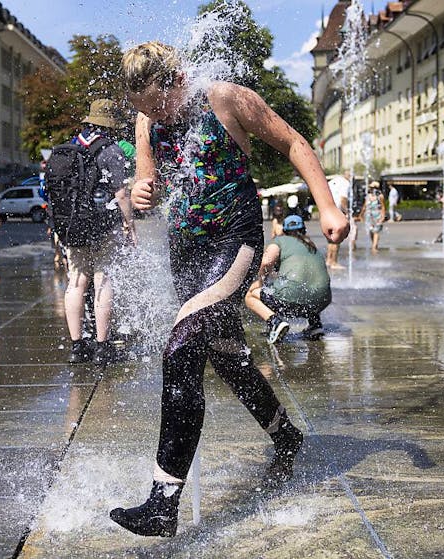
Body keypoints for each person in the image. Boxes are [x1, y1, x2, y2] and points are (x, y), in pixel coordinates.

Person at [110, 41, 349, 538]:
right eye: (144, 110)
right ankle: (285, 436)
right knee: (226, 357)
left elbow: (294, 143)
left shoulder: (224, 99)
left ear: (176, 79)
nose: (155, 116)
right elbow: (146, 191)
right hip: (186, 251)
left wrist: (326, 206)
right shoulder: (145, 122)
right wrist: (139, 193)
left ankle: (162, 500)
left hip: (233, 240)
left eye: (158, 103)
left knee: (180, 348)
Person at [58, 98, 135, 365]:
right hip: (102, 224)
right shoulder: (111, 150)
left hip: (71, 225)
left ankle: (77, 346)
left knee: (76, 281)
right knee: (103, 279)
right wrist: (130, 224)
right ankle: (103, 346)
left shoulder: (69, 147)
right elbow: (121, 194)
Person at [245, 215, 331, 343]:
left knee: (250, 296)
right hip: (322, 301)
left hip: (292, 298)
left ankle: (275, 322)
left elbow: (266, 262)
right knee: (308, 286)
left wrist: (260, 280)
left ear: (283, 230)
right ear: (304, 230)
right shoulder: (311, 245)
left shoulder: (279, 240)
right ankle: (315, 325)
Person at [325, 171, 351, 269]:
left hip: (327, 211)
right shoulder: (345, 183)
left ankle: (328, 260)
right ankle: (334, 262)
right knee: (337, 238)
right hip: (337, 212)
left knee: (330, 238)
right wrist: (347, 212)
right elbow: (343, 200)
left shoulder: (333, 181)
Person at [360, 183, 385, 253]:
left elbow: (383, 207)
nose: (372, 189)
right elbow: (365, 206)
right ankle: (374, 245)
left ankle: (374, 247)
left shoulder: (380, 196)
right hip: (369, 216)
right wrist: (361, 214)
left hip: (377, 215)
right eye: (371, 187)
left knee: (376, 231)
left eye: (374, 187)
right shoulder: (368, 196)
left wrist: (382, 216)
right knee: (371, 231)